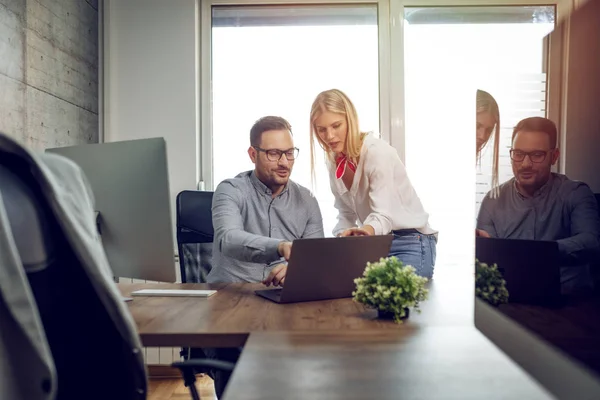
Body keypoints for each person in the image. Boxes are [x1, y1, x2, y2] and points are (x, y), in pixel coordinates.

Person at [204, 115, 324, 398]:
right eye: (273, 153)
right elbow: (228, 239)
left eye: (289, 153)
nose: (284, 162)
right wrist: (281, 247)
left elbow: (315, 256)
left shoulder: (307, 201)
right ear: (253, 154)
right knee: (240, 367)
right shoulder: (230, 191)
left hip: (285, 304)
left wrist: (293, 268)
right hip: (232, 301)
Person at [309, 88, 437, 278]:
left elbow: (383, 216)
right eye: (322, 129)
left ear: (350, 120)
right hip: (373, 242)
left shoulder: (377, 152)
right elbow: (346, 213)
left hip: (410, 241)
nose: (329, 136)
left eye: (336, 125)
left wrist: (363, 233)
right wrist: (345, 236)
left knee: (391, 298)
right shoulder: (333, 161)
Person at [477, 116, 600, 293]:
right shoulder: (492, 200)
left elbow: (591, 242)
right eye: (518, 154)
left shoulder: (576, 193)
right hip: (511, 302)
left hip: (570, 302)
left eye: (537, 155)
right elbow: (489, 265)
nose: (525, 164)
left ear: (554, 156)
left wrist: (536, 252)